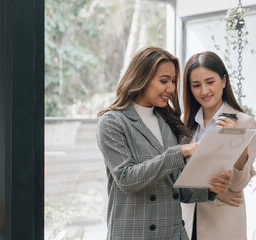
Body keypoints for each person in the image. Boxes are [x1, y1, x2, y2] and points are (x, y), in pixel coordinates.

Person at [96, 46, 232, 240]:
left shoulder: (168, 122)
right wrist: (179, 153)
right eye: (164, 81)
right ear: (141, 78)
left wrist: (211, 188)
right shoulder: (112, 122)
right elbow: (127, 180)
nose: (171, 88)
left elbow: (178, 189)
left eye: (174, 81)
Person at [181, 51, 256, 240]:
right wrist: (212, 192)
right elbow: (179, 175)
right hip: (188, 220)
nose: (204, 91)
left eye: (210, 82)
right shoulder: (184, 124)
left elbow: (238, 184)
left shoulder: (244, 123)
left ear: (223, 81)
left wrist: (236, 138)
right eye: (196, 85)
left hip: (223, 223)